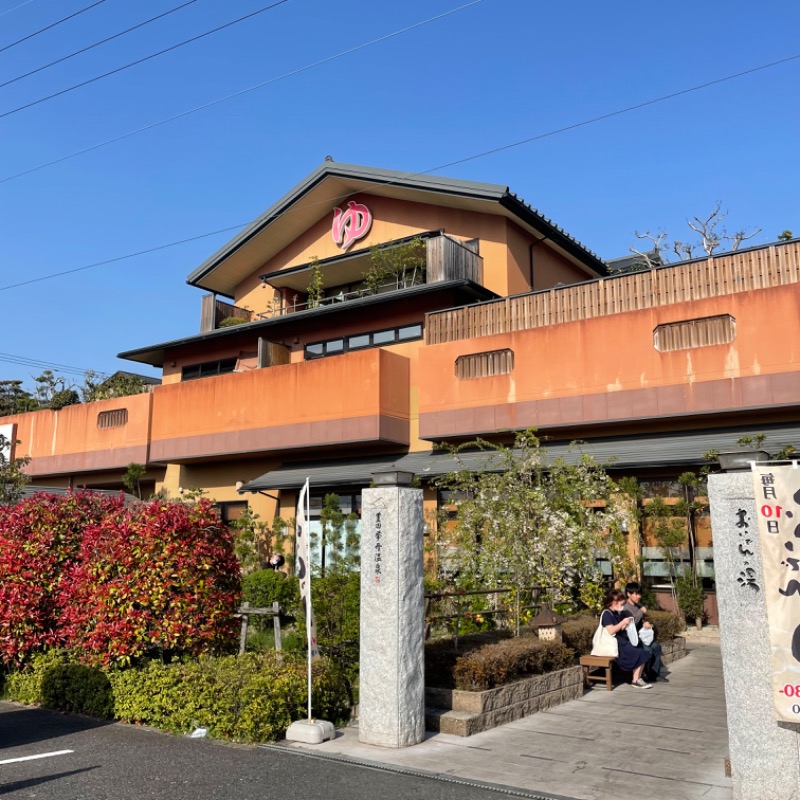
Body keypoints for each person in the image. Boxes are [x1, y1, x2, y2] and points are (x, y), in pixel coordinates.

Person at [601, 588, 652, 688]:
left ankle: (637, 678)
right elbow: (611, 631)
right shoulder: (607, 614)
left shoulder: (616, 613)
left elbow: (618, 628)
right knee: (639, 652)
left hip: (620, 641)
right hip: (614, 644)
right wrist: (622, 623)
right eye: (622, 603)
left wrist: (625, 625)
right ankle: (636, 679)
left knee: (641, 650)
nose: (623, 606)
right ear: (614, 602)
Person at [622, 581, 666, 682]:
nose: (639, 596)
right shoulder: (625, 607)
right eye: (636, 594)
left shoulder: (638, 605)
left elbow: (641, 620)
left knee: (656, 647)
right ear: (629, 594)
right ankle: (641, 675)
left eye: (639, 593)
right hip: (632, 639)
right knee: (648, 650)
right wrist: (641, 611)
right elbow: (632, 622)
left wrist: (645, 623)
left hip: (641, 636)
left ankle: (654, 675)